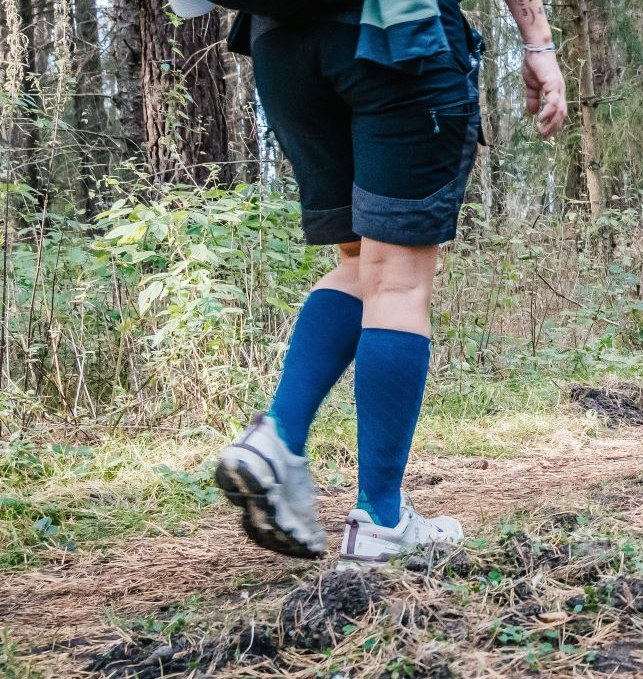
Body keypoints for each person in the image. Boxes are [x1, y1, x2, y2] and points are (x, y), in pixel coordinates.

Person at [180, 0, 566, 565]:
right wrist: (537, 43)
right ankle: (380, 519)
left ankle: (276, 439)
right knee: (399, 282)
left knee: (361, 265)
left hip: (284, 48)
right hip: (392, 39)